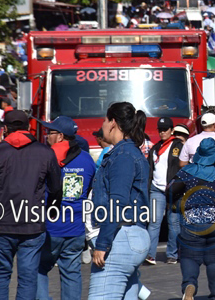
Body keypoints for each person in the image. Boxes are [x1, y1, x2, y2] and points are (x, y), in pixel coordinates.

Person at [0, 110, 62, 300]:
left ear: (5, 129)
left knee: (0, 275)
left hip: (2, 224)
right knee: (28, 278)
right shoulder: (45, 152)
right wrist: (51, 210)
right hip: (32, 224)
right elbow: (56, 187)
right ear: (28, 128)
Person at [89, 102, 151, 299]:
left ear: (113, 123)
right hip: (130, 234)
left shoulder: (123, 155)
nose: (102, 125)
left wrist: (102, 244)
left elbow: (117, 203)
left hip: (121, 237)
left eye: (105, 120)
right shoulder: (129, 152)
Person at [167, 138, 215, 300]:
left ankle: (189, 285)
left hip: (192, 221)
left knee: (190, 257)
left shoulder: (186, 172)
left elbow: (170, 191)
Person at [36, 116, 96, 300]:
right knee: (71, 274)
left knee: (37, 269)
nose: (47, 136)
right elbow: (90, 190)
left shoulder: (45, 157)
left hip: (50, 228)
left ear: (61, 136)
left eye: (50, 132)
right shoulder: (87, 160)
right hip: (75, 229)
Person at [147, 117, 184, 265]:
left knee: (173, 222)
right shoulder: (155, 148)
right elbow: (151, 169)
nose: (162, 132)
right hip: (156, 189)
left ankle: (172, 254)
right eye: (160, 130)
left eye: (165, 129)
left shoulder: (178, 146)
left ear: (172, 130)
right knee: (154, 222)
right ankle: (150, 254)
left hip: (174, 190)